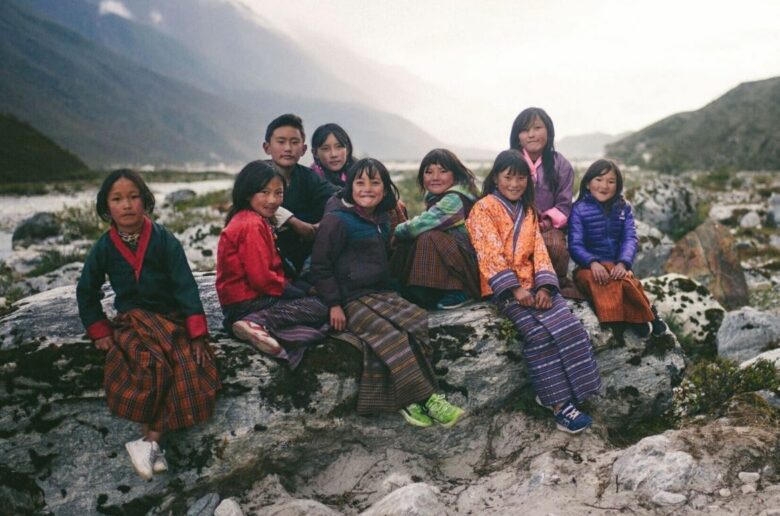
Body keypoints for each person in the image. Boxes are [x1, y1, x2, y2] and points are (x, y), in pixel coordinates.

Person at [76, 169, 220, 480]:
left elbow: (185, 285)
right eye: (117, 199)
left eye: (133, 197)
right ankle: (151, 444)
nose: (126, 205)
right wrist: (99, 330)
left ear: (145, 201)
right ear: (106, 207)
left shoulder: (164, 240)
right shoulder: (104, 247)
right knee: (147, 363)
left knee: (187, 364)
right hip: (133, 321)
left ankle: (149, 442)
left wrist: (197, 334)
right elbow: (86, 290)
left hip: (170, 318)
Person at [311, 158, 465, 428]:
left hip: (380, 292)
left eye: (375, 183)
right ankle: (426, 399)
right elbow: (320, 266)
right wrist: (334, 304)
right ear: (350, 188)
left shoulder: (382, 219)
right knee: (390, 337)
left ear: (384, 189)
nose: (367, 189)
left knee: (416, 321)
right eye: (360, 182)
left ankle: (408, 397)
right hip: (350, 298)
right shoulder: (336, 221)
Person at [466, 150, 600, 434]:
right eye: (508, 177)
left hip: (534, 282)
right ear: (496, 178)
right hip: (502, 287)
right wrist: (514, 289)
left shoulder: (528, 211)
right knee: (539, 335)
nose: (514, 184)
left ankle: (578, 393)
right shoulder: (483, 208)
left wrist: (545, 287)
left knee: (570, 325)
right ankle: (558, 405)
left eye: (521, 178)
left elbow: (539, 250)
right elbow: (488, 253)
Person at [216, 160, 330, 369]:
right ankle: (258, 321)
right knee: (320, 308)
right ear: (248, 193)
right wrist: (299, 292)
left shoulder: (251, 218)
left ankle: (256, 326)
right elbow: (262, 280)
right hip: (249, 303)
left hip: (241, 301)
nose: (273, 200)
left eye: (279, 193)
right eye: (265, 192)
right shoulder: (251, 225)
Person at [568, 159, 668, 337]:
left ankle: (646, 316)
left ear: (618, 185)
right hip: (588, 268)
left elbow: (630, 238)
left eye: (611, 181)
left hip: (616, 265)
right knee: (600, 282)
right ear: (588, 183)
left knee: (626, 280)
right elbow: (575, 244)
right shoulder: (579, 209)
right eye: (599, 179)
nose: (604, 186)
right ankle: (627, 319)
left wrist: (623, 263)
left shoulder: (623, 208)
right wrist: (592, 262)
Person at [389, 148, 482, 310]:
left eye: (442, 171)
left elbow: (424, 223)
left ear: (455, 174)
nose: (435, 177)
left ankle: (460, 291)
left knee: (429, 236)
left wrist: (398, 230)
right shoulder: (437, 197)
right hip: (459, 260)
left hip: (472, 267)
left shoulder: (456, 198)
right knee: (421, 237)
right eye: (429, 172)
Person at [509, 107, 579, 297]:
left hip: (548, 226)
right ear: (517, 136)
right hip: (512, 224)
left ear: (548, 131)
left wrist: (545, 223)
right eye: (525, 130)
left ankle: (552, 286)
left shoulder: (561, 164)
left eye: (537, 128)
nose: (531, 134)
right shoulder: (510, 161)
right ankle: (517, 286)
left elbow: (564, 204)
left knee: (555, 247)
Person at [263, 113, 338, 272]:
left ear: (303, 149)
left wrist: (323, 224)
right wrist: (293, 222)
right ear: (267, 147)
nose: (288, 148)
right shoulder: (257, 173)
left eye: (294, 142)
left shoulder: (309, 177)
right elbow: (247, 200)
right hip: (265, 253)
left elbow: (337, 196)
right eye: (281, 142)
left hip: (302, 255)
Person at [310, 123, 355, 188]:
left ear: (347, 149)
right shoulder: (309, 181)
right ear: (315, 153)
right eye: (326, 149)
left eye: (339, 147)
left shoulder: (361, 175)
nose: (333, 154)